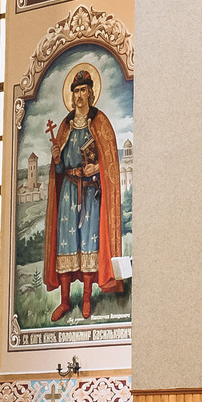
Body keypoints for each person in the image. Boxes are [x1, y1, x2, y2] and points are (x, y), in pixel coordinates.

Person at [44, 64, 124, 322]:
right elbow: (59, 168)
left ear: (91, 93)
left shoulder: (99, 123)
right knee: (67, 245)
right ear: (72, 95)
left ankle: (87, 298)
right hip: (68, 193)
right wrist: (56, 160)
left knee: (89, 244)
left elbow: (110, 162)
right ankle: (66, 301)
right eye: (76, 91)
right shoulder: (65, 126)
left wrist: (97, 167)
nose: (80, 96)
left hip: (90, 195)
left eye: (84, 90)